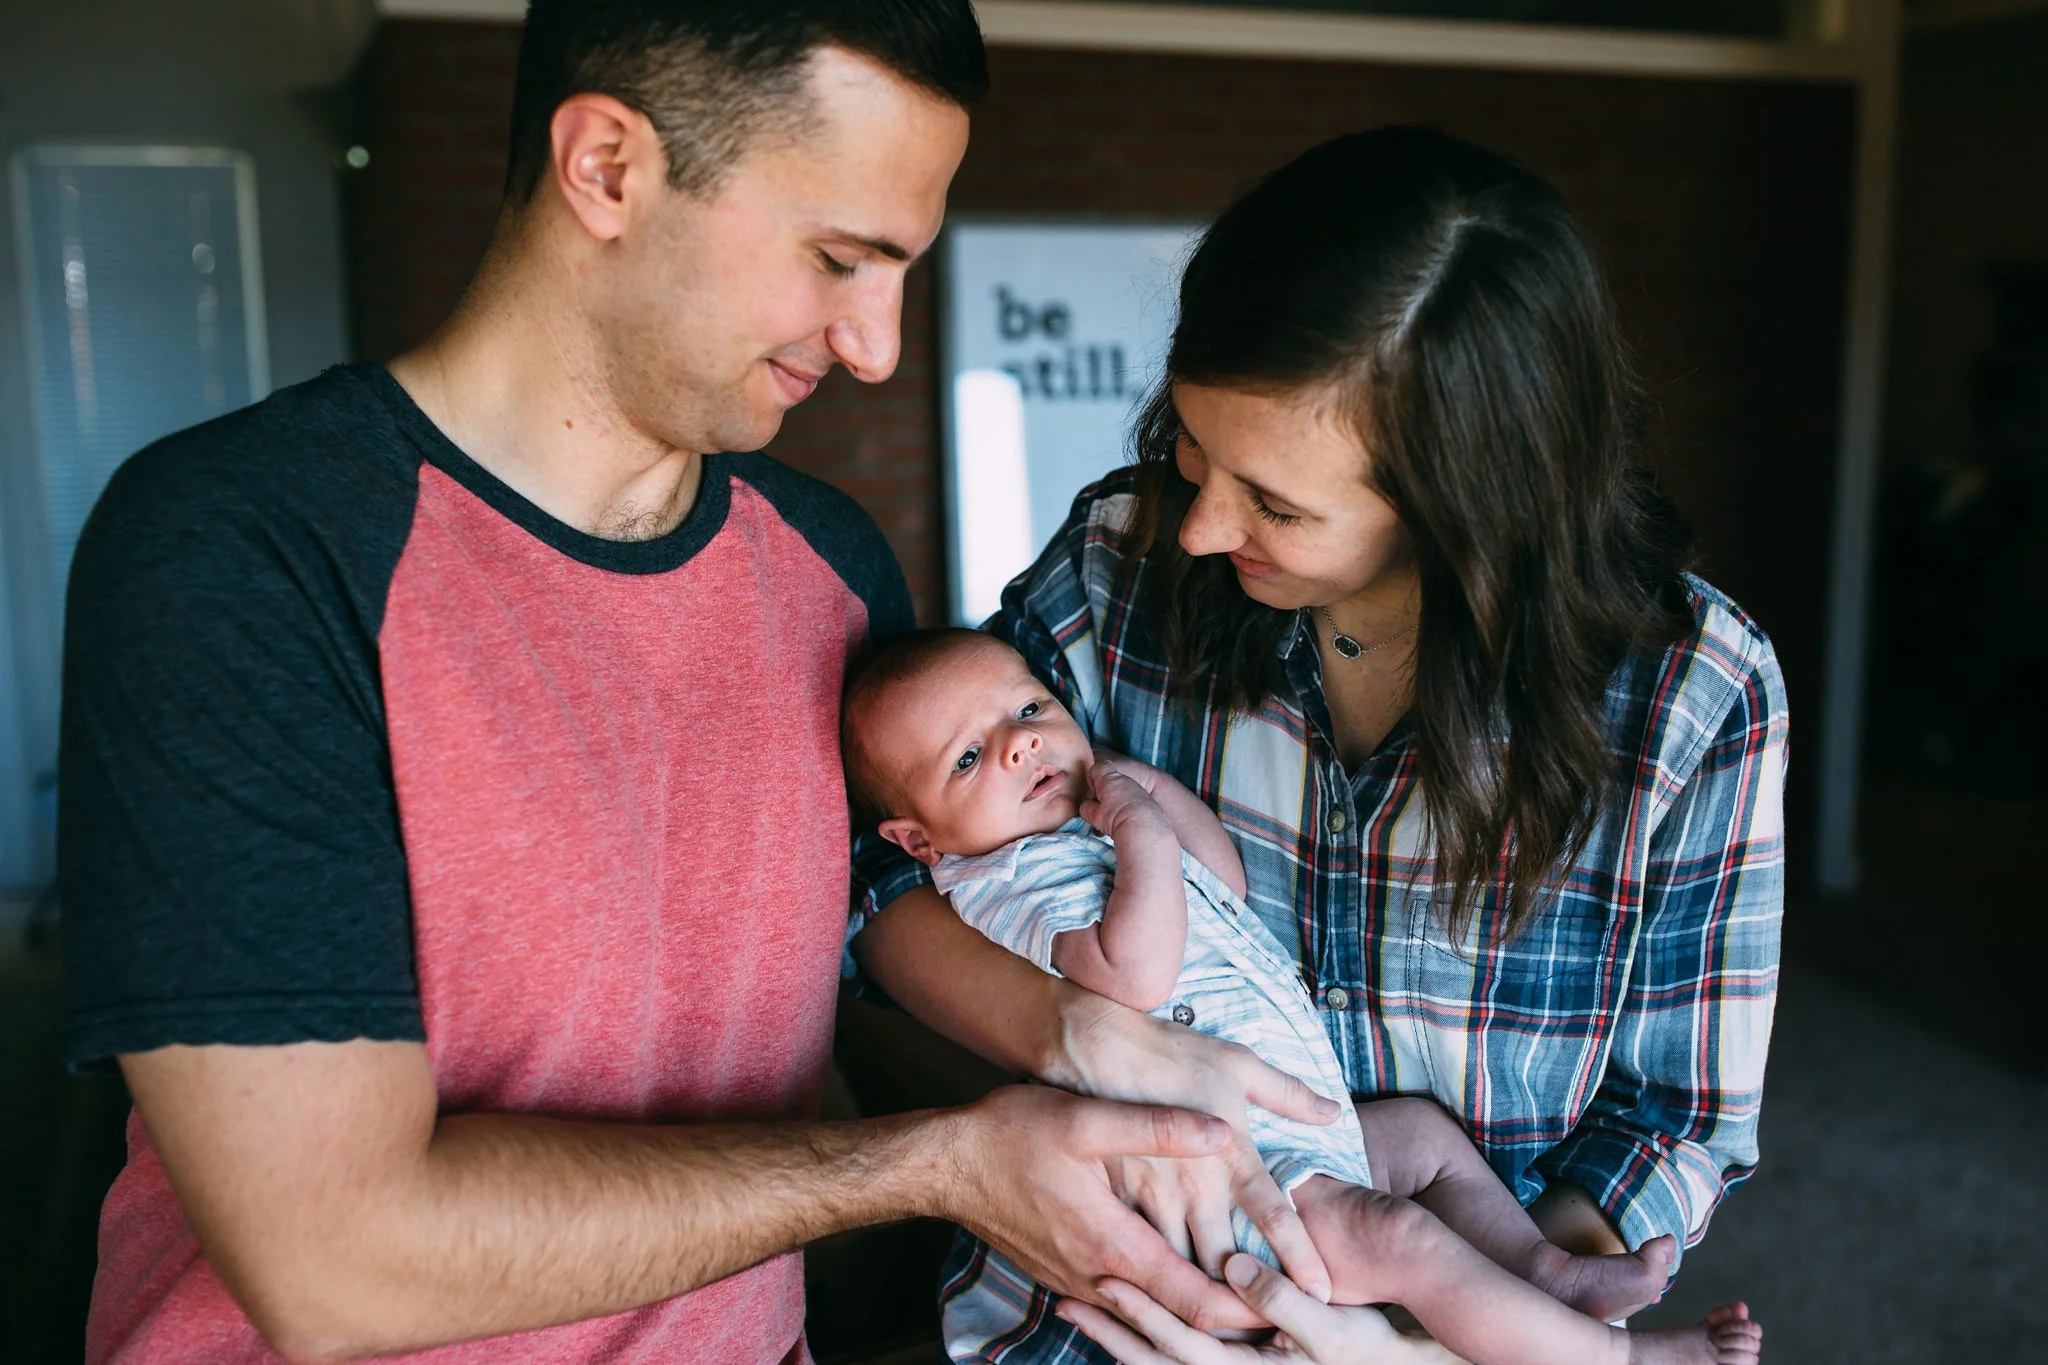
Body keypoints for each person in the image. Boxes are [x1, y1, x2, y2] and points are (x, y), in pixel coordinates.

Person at [55, 5, 1339, 1361]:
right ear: (607, 165)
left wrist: (1082, 1038)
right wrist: (936, 1165)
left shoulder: (832, 573)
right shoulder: (240, 550)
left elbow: (869, 962)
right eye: (840, 259)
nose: (876, 346)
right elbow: (337, 1261)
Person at [850, 125, 1788, 1363]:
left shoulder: (1689, 695)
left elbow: (1670, 1118)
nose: (1197, 529)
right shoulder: (1118, 561)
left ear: (1469, 504)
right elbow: (875, 877)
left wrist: (1433, 1326)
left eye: (1276, 504)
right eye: (1193, 452)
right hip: (1099, 1302)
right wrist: (1063, 1032)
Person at [841, 627, 1762, 1365]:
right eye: (968, 757)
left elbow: (1224, 880)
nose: (1019, 746)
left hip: (1295, 1118)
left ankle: (1543, 1270)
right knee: (1397, 1232)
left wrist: (1147, 795)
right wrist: (1139, 831)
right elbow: (1133, 972)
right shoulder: (1002, 879)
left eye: (1031, 708)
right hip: (1228, 1177)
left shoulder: (1076, 818)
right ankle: (1613, 1359)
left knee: (1425, 1140)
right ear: (920, 839)